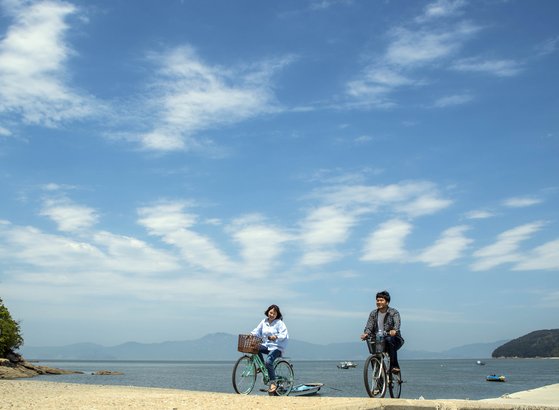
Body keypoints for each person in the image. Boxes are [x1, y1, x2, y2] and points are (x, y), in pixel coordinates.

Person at [360, 290, 404, 373]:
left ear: (387, 302)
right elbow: (369, 326)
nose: (378, 302)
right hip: (378, 339)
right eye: (377, 300)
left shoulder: (393, 312)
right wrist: (366, 333)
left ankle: (394, 366)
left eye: (381, 300)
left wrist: (394, 330)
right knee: (374, 357)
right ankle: (379, 382)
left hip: (393, 339)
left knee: (389, 339)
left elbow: (397, 324)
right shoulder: (373, 313)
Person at [251, 304, 289, 394]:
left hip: (277, 347)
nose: (272, 315)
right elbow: (257, 331)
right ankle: (262, 367)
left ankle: (273, 383)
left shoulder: (279, 323)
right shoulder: (264, 321)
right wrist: (251, 335)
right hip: (267, 345)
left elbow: (284, 335)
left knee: (269, 362)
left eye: (274, 314)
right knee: (254, 348)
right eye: (271, 312)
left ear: (277, 315)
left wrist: (275, 336)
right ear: (268, 312)